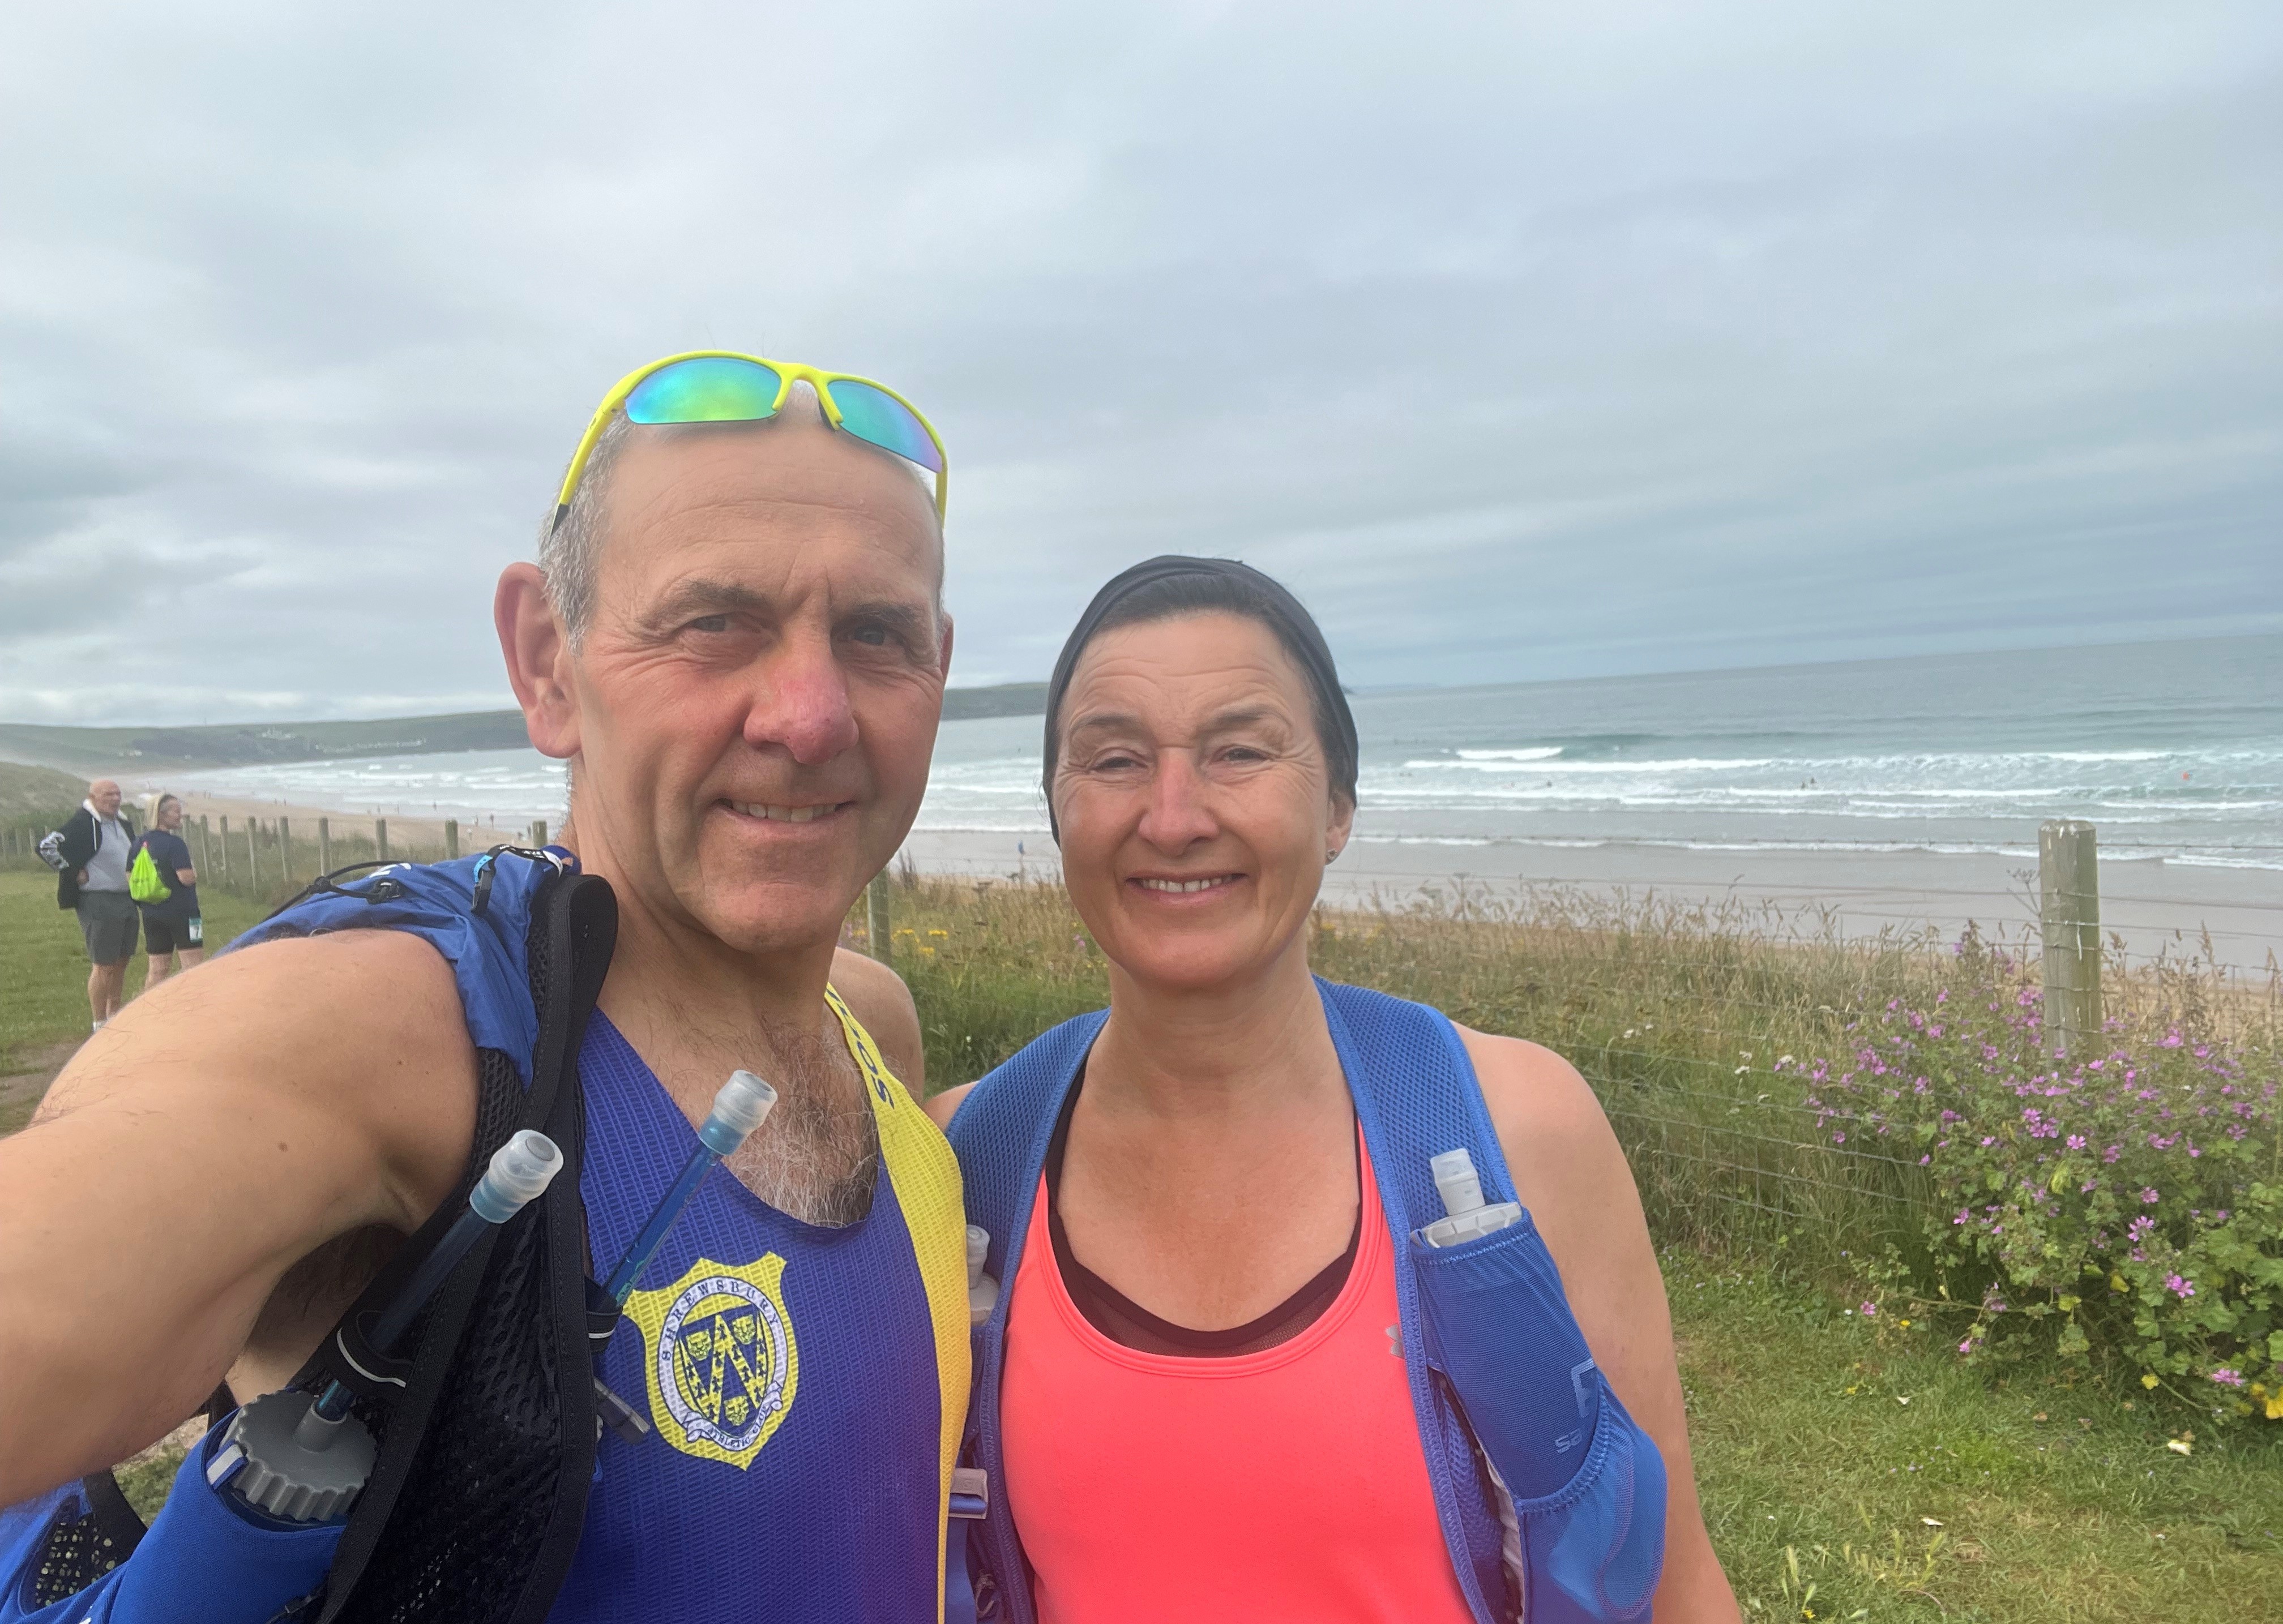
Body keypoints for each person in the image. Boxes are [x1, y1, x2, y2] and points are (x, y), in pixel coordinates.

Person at [0, 353, 972, 1622]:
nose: (809, 714)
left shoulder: (872, 1022)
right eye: (713, 622)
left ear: (939, 670)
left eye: (876, 634)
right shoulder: (401, 1039)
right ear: (548, 665)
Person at [930, 558, 1739, 1623]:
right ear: (1056, 810)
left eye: (1240, 750)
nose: (1173, 816)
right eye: (1114, 758)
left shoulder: (1517, 1127)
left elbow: (1672, 1580)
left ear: (1339, 806)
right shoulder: (965, 1160)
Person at [50, 778, 139, 1033]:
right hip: (98, 899)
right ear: (93, 797)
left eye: (118, 794)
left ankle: (114, 1015)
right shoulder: (83, 822)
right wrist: (71, 870)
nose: (114, 799)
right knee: (104, 963)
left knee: (122, 960)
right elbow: (47, 846)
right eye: (108, 794)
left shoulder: (122, 822)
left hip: (126, 897)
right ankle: (99, 1023)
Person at [134, 794, 204, 983]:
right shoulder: (175, 844)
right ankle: (193, 1006)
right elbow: (186, 878)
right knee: (193, 966)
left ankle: (149, 1009)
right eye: (176, 811)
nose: (180, 815)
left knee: (157, 969)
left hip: (152, 913)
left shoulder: (139, 843)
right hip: (185, 913)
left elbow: (129, 877)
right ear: (161, 815)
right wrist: (194, 872)